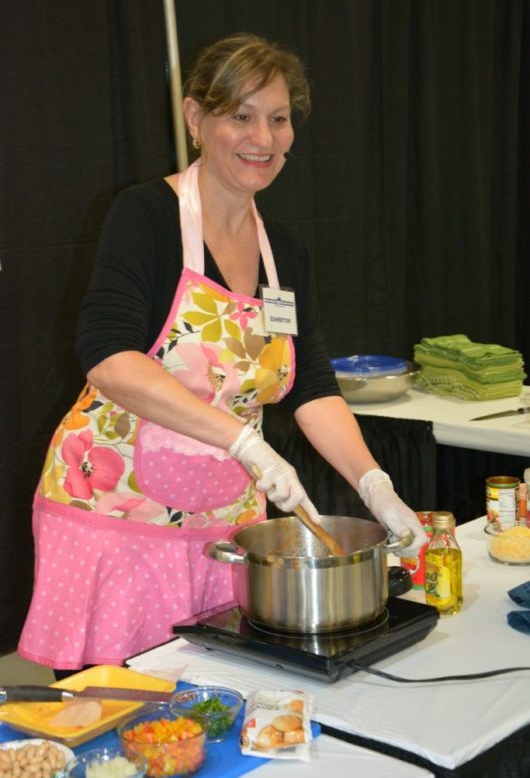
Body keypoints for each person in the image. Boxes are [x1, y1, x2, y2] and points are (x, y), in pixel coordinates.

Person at [18, 33, 426, 675]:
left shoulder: (284, 253)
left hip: (229, 528)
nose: (262, 137)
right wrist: (245, 442)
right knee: (125, 722)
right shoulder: (146, 215)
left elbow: (312, 383)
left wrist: (373, 484)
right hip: (116, 513)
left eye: (279, 117)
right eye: (241, 115)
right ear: (195, 119)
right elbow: (109, 358)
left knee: (221, 702)